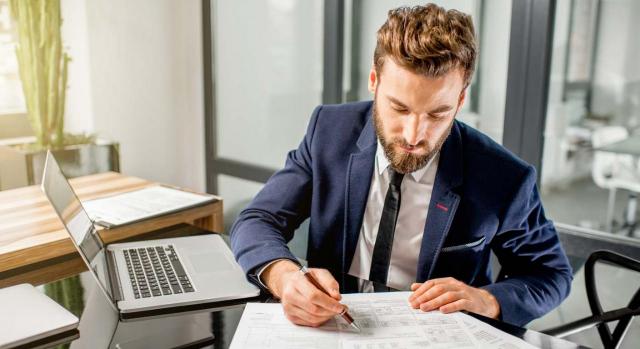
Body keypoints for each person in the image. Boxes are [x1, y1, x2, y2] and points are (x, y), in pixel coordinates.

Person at [230, 3, 572, 328]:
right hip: (331, 327)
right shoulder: (329, 131)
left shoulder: (503, 176)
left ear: (461, 99)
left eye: (437, 114)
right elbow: (259, 218)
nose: (414, 135)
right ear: (374, 82)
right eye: (400, 108)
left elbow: (551, 275)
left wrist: (485, 300)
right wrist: (285, 277)